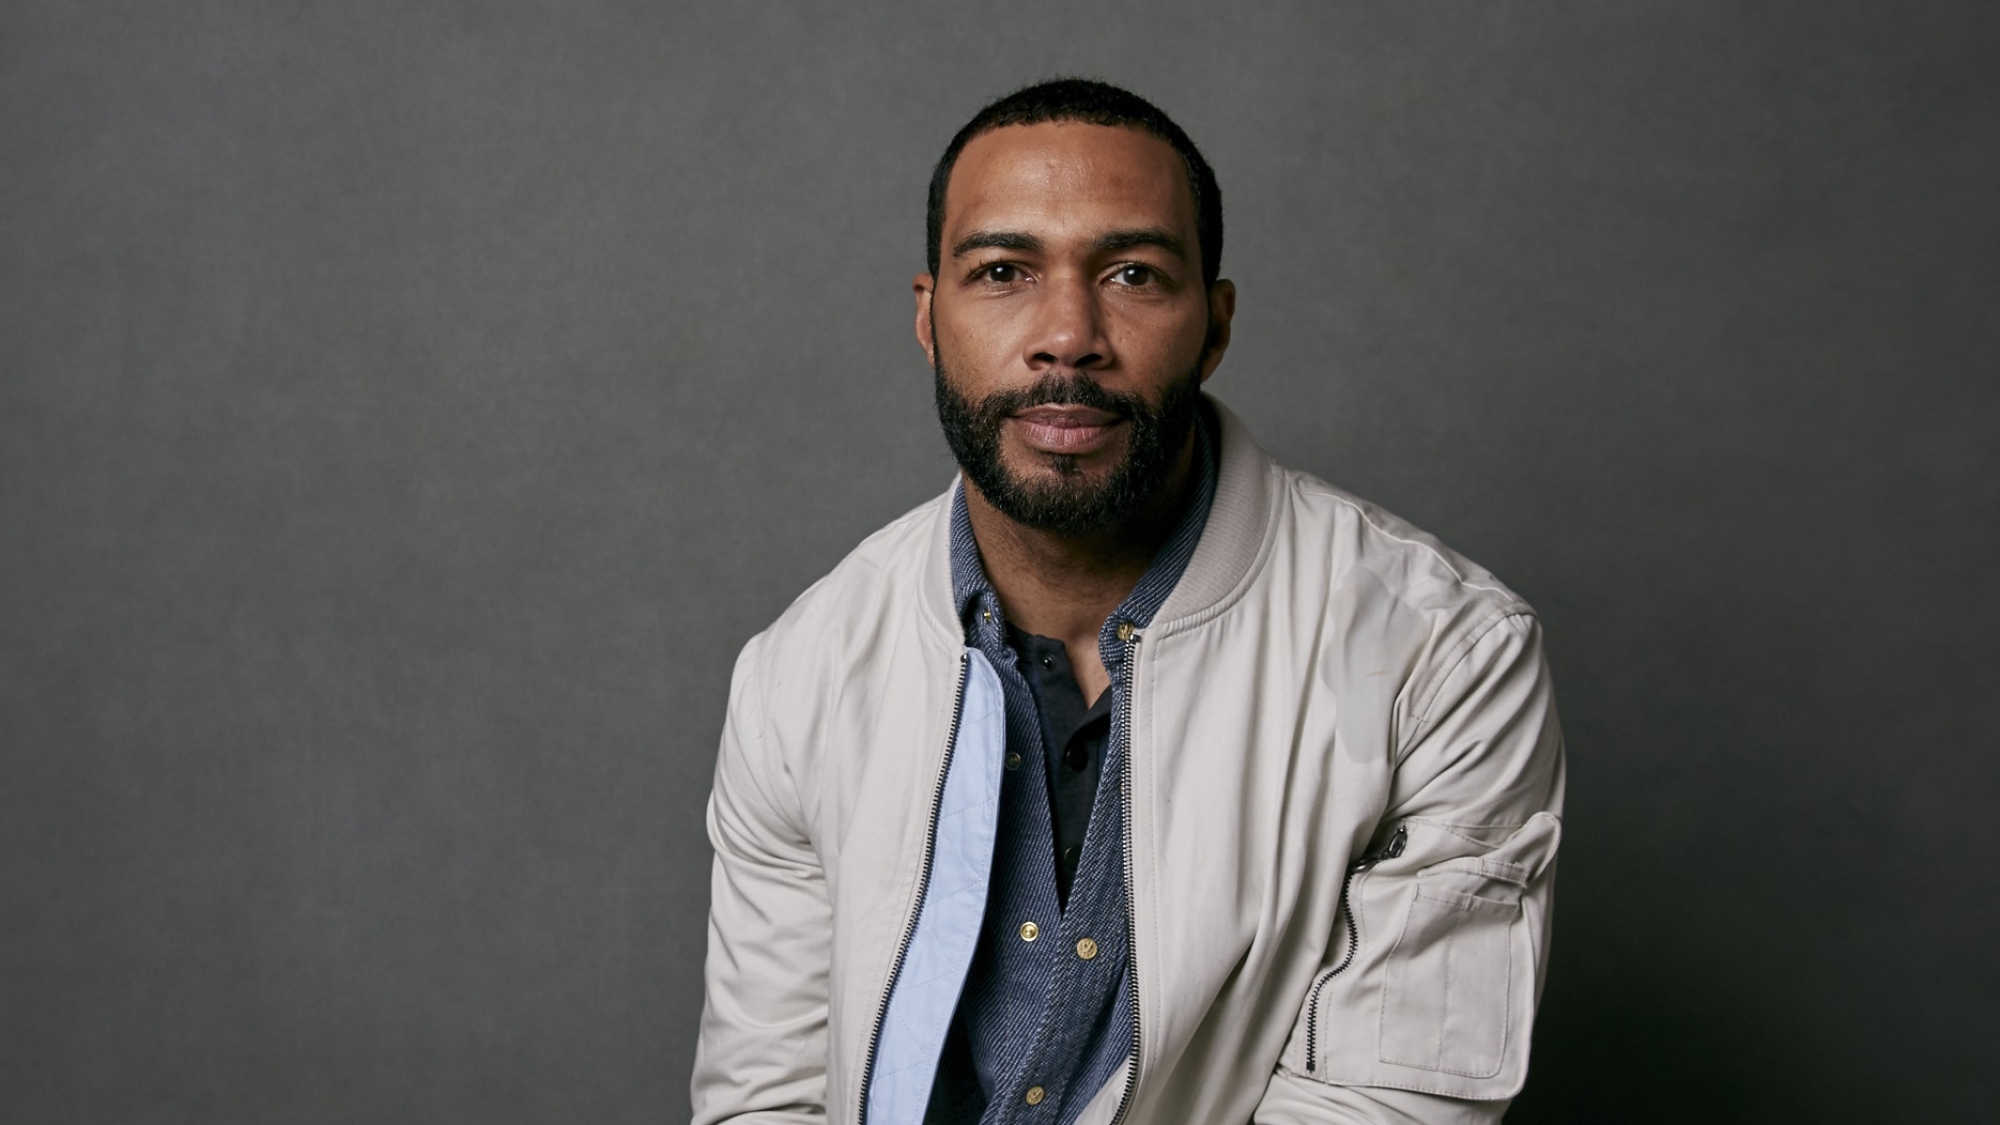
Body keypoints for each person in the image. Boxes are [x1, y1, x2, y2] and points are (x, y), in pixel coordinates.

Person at [691, 78, 1565, 1125]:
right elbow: (765, 1097)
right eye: (1003, 271)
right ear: (928, 318)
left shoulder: (1443, 657)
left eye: (1133, 274)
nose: (1068, 335)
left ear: (1214, 325)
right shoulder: (800, 671)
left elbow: (1381, 1111)